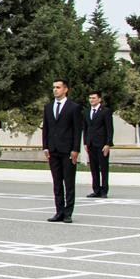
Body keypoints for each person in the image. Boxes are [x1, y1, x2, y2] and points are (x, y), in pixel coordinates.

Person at [42, 78, 82, 222]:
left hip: (68, 150)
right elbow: (46, 128)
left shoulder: (73, 107)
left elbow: (77, 130)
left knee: (69, 182)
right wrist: (45, 146)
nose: (55, 90)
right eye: (54, 87)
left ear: (65, 89)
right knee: (57, 182)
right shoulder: (48, 107)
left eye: (58, 87)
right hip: (53, 149)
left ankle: (68, 213)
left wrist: (75, 149)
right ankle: (59, 211)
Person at [85, 91, 114, 198]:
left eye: (93, 98)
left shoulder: (105, 111)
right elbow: (86, 128)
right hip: (91, 144)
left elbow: (109, 129)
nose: (91, 100)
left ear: (99, 99)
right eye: (90, 98)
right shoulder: (87, 112)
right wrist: (85, 143)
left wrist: (108, 144)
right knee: (94, 168)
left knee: (103, 167)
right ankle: (96, 190)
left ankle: (104, 190)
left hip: (102, 144)